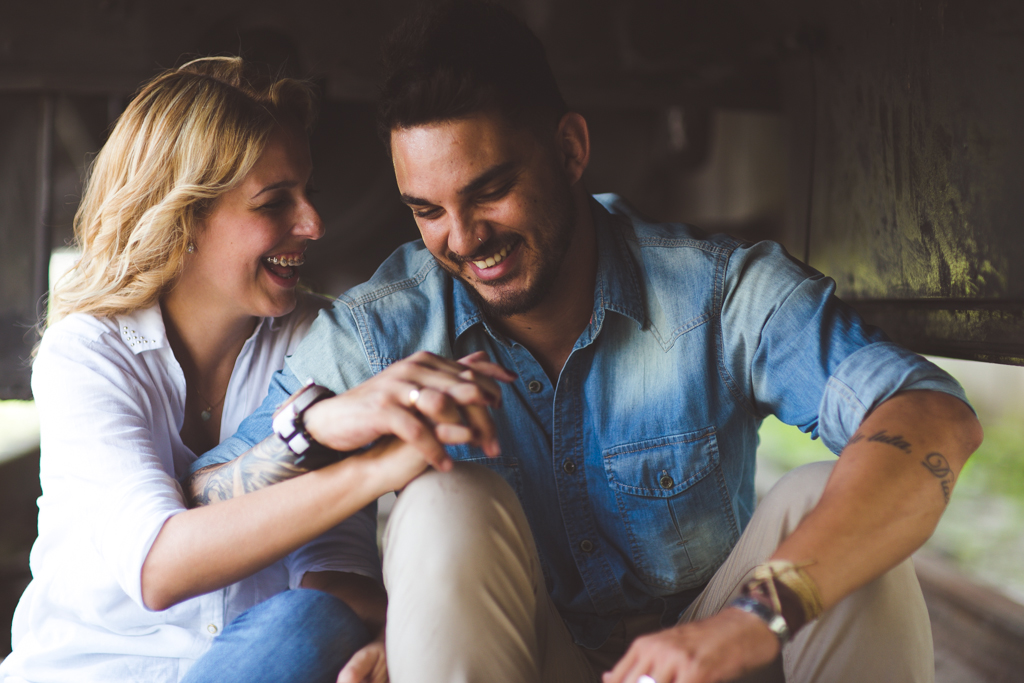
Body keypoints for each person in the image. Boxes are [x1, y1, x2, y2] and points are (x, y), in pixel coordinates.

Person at [186, 3, 983, 682]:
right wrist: (324, 425)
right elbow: (207, 489)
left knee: (823, 496)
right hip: (525, 657)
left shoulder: (715, 293)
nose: (464, 240)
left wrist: (748, 621)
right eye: (427, 210)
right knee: (441, 501)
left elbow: (933, 415)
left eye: (490, 190)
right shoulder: (382, 324)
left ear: (570, 149)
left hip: (710, 657)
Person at [1, 56, 510, 683]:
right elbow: (158, 567)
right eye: (275, 203)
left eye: (309, 194)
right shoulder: (88, 353)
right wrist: (370, 462)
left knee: (315, 620)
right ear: (185, 217)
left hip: (261, 664)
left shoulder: (321, 340)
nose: (314, 225)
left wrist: (381, 634)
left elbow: (335, 575)